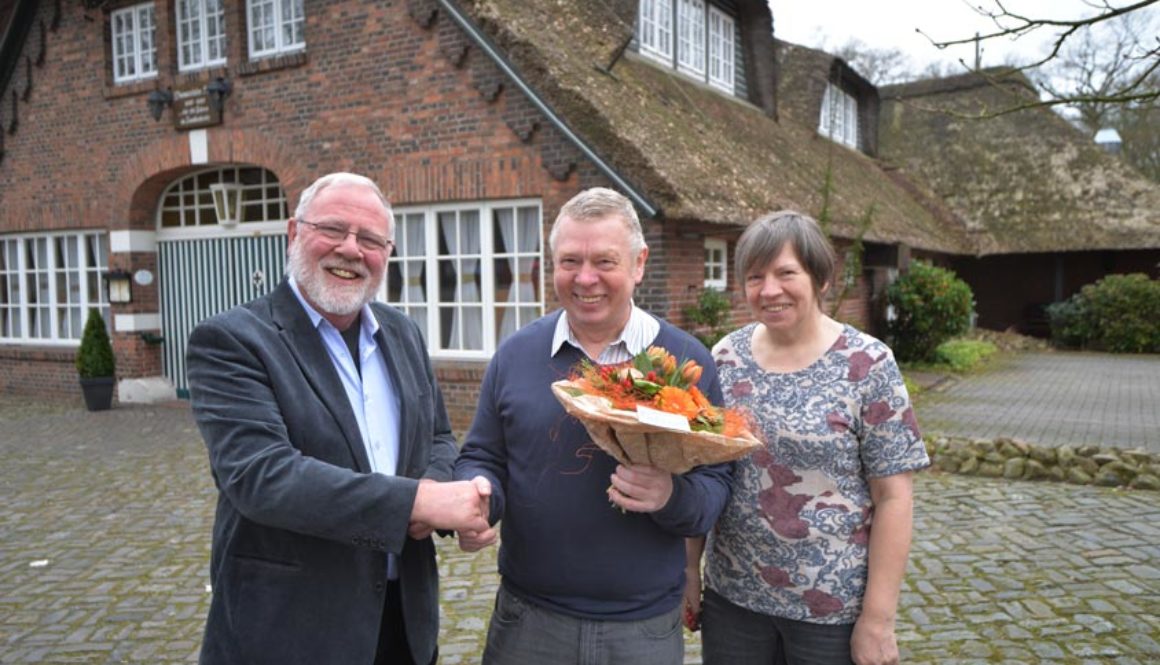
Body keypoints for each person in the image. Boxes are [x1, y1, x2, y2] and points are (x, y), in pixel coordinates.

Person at [187, 172, 491, 665]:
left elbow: (435, 436)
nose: (351, 250)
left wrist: (440, 499)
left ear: (386, 253)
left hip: (402, 621)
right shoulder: (232, 341)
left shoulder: (402, 332)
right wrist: (419, 502)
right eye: (333, 229)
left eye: (370, 239)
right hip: (293, 629)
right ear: (293, 233)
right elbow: (262, 476)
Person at [453, 187, 733, 664]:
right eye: (569, 262)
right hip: (529, 620)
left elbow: (716, 485)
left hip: (642, 628)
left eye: (605, 262)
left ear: (639, 263)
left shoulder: (687, 361)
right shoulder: (517, 355)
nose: (586, 279)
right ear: (550, 265)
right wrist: (477, 496)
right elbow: (483, 455)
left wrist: (671, 497)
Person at [685, 211, 929, 665]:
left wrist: (878, 620)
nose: (769, 289)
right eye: (755, 277)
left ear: (821, 278)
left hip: (831, 614)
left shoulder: (868, 364)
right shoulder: (724, 359)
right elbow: (702, 468)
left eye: (785, 273)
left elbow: (894, 497)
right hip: (734, 604)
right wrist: (689, 573)